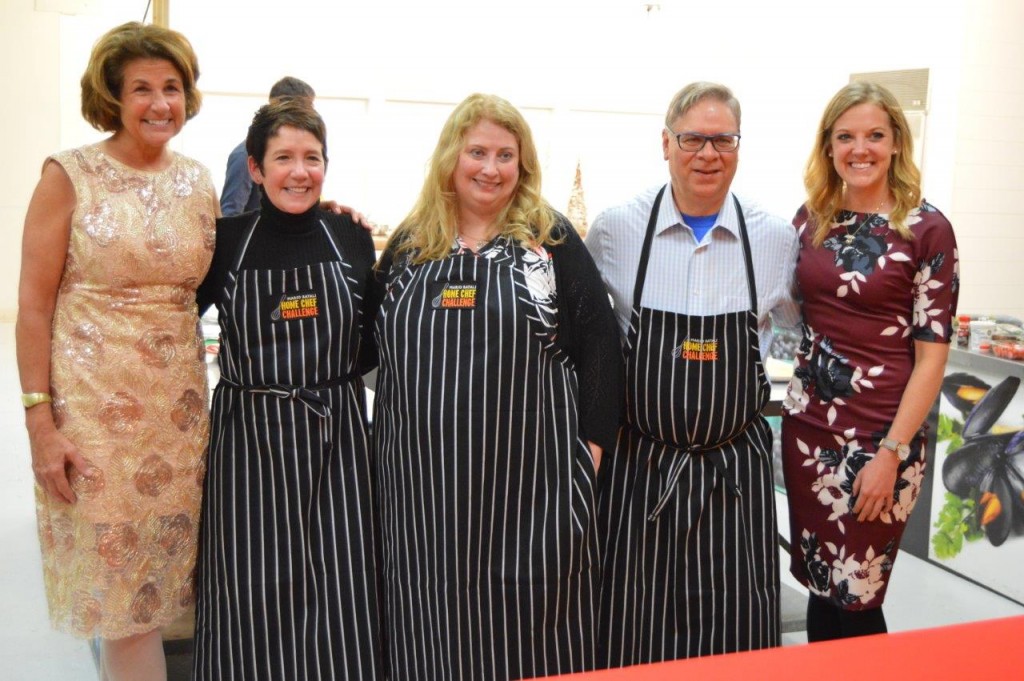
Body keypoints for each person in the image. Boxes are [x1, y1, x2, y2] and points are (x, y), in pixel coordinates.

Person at [373, 92, 623, 680]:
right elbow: (365, 346)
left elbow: (602, 346)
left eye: (505, 155)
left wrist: (588, 453)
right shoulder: (412, 243)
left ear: (523, 164)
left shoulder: (547, 238)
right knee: (430, 639)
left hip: (529, 497)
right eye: (477, 152)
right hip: (423, 502)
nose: (490, 168)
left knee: (530, 638)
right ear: (450, 159)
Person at [15, 21, 216, 681]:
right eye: (141, 89)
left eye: (171, 87)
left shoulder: (197, 181)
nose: (159, 102)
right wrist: (40, 423)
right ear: (113, 96)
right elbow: (35, 307)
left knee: (157, 599)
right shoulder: (69, 175)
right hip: (95, 420)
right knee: (123, 603)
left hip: (179, 420)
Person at [586, 81, 800, 666]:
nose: (708, 154)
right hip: (640, 467)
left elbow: (812, 333)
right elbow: (578, 332)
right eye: (693, 139)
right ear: (665, 143)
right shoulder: (615, 230)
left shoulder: (776, 237)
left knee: (735, 625)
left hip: (736, 471)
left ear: (738, 146)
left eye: (722, 139)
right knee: (631, 620)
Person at [191, 99, 383, 680]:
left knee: (343, 583)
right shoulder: (224, 242)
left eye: (312, 158)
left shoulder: (350, 235)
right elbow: (167, 324)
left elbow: (374, 342)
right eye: (283, 158)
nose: (299, 172)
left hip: (339, 439)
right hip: (248, 441)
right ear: (254, 168)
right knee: (248, 583)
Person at [781, 81, 959, 641]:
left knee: (858, 590)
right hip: (808, 428)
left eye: (875, 136)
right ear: (829, 147)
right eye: (846, 137)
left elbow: (932, 358)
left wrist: (891, 452)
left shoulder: (928, 230)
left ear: (897, 143)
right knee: (819, 581)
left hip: (883, 437)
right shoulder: (811, 220)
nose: (861, 149)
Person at [219, 76, 315, 217]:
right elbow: (230, 215)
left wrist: (320, 211)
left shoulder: (301, 152)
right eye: (308, 109)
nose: (312, 116)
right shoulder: (243, 155)